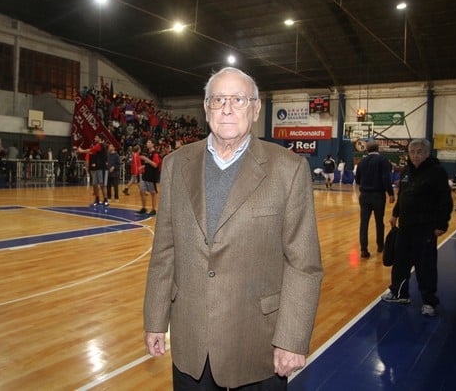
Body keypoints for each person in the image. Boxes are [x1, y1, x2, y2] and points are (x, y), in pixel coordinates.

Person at [143, 67, 323, 390]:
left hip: (258, 343)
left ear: (256, 109)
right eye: (218, 99)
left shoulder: (289, 169)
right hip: (191, 342)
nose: (227, 108)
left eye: (238, 99)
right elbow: (164, 251)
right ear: (206, 107)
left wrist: (292, 339)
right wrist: (155, 319)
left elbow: (304, 264)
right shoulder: (175, 164)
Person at [381, 138, 453, 317]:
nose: (415, 155)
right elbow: (402, 195)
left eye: (419, 152)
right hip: (405, 226)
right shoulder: (407, 171)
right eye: (412, 152)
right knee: (400, 262)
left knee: (425, 266)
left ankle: (429, 302)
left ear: (427, 153)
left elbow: (445, 200)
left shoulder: (437, 172)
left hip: (425, 228)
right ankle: (399, 293)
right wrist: (395, 214)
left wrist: (442, 224)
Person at [354, 141, 395, 258]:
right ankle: (380, 246)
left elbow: (357, 180)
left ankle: (363, 249)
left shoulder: (361, 162)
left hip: (364, 195)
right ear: (378, 149)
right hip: (378, 195)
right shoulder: (383, 160)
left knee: (364, 223)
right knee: (379, 222)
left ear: (367, 150)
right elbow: (386, 177)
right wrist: (391, 193)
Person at [78, 134, 108, 206]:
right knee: (95, 184)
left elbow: (91, 150)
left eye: (96, 137)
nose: (95, 138)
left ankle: (106, 200)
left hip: (102, 168)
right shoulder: (97, 146)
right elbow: (91, 152)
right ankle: (97, 199)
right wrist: (83, 151)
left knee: (102, 185)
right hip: (97, 168)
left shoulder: (100, 145)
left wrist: (82, 150)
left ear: (100, 139)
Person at [137, 139, 160, 215]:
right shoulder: (147, 153)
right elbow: (148, 163)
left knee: (153, 193)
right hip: (145, 175)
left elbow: (155, 165)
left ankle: (154, 210)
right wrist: (143, 166)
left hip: (151, 176)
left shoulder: (155, 154)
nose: (147, 143)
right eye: (147, 142)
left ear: (153, 144)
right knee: (142, 191)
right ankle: (144, 208)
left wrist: (146, 159)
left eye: (149, 142)